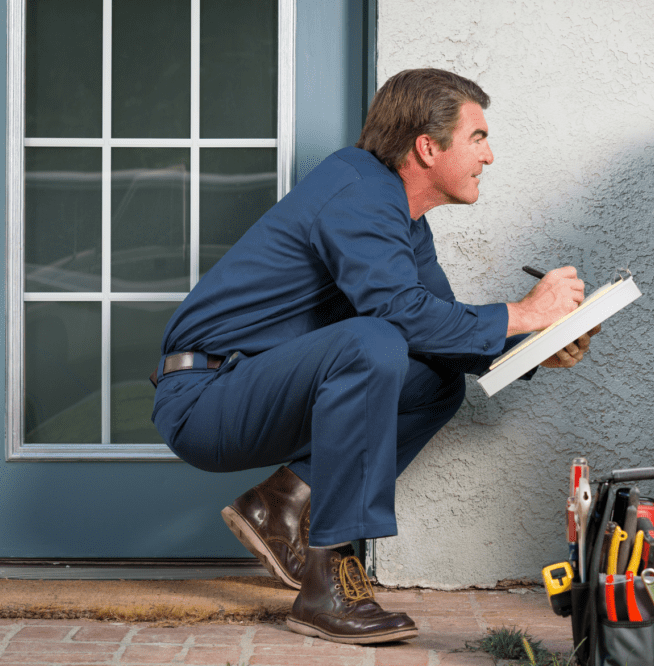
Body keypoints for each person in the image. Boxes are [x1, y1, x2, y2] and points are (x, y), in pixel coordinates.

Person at [151, 68, 599, 645]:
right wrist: (525, 311)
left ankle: (280, 507)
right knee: (376, 339)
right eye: (478, 137)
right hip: (205, 398)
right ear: (427, 147)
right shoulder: (358, 189)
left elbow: (441, 332)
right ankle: (325, 587)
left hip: (249, 385)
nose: (489, 156)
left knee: (437, 380)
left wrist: (538, 347)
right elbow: (400, 315)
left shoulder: (404, 221)